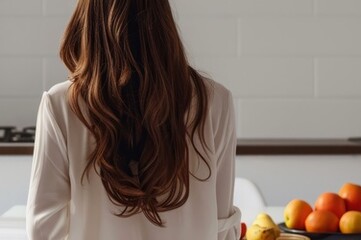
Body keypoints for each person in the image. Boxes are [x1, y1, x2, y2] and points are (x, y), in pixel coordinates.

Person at [25, 0, 240, 239]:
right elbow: (222, 226)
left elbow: (42, 228)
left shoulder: (61, 104)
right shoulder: (215, 101)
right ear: (161, 19)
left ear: (89, 22)